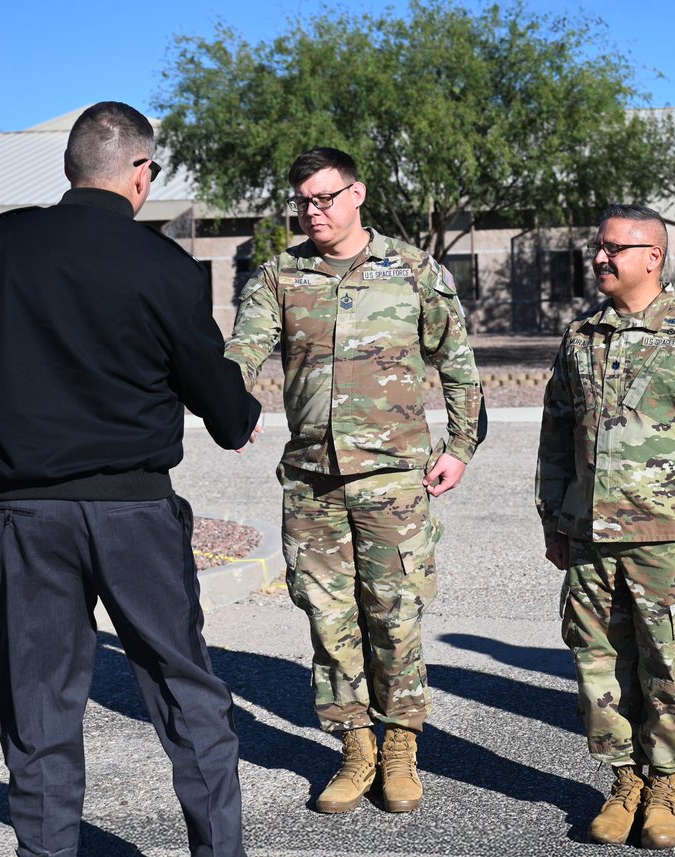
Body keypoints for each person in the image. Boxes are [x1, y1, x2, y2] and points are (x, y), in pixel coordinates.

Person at [0, 101, 261, 857]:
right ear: (141, 173)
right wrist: (238, 417)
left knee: (39, 706)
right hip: (135, 510)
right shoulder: (164, 265)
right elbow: (210, 378)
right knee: (184, 691)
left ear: (70, 167)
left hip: (26, 511)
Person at [224, 147, 485, 814]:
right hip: (312, 480)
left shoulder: (414, 269)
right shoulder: (283, 274)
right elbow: (245, 349)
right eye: (304, 202)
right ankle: (355, 746)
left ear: (358, 193)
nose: (315, 211)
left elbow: (456, 360)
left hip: (394, 478)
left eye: (326, 198)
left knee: (394, 617)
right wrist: (229, 396)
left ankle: (400, 747)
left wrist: (459, 444)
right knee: (328, 619)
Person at [535, 204, 675, 850]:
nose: (599, 258)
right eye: (596, 248)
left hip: (665, 540)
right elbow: (555, 435)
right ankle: (624, 779)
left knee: (666, 669)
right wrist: (553, 516)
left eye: (613, 248)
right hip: (589, 539)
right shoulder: (580, 337)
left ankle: (665, 785)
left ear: (652, 257)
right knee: (598, 668)